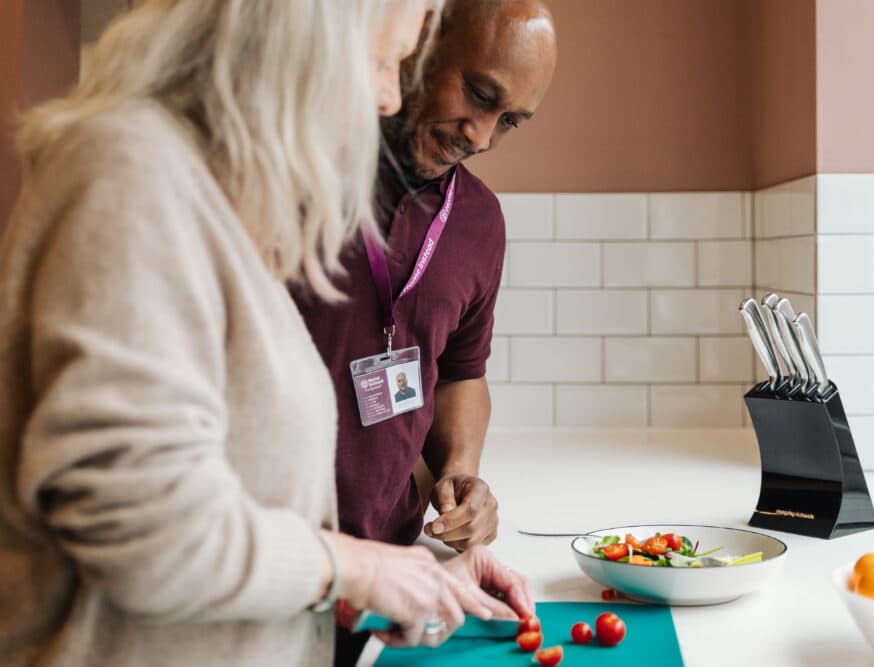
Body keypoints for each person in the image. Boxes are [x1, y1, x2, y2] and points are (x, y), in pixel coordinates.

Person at [0, 2, 533, 666]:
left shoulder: (205, 194)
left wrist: (405, 583)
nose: (389, 96)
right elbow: (139, 524)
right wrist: (361, 568)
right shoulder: (128, 169)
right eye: (385, 60)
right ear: (300, 40)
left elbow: (247, 517)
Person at [295, 0, 558, 552]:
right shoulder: (291, 169)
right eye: (480, 96)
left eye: (509, 120)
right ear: (421, 40)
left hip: (393, 557)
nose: (481, 136)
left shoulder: (479, 221)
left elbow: (462, 372)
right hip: (271, 557)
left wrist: (461, 476)